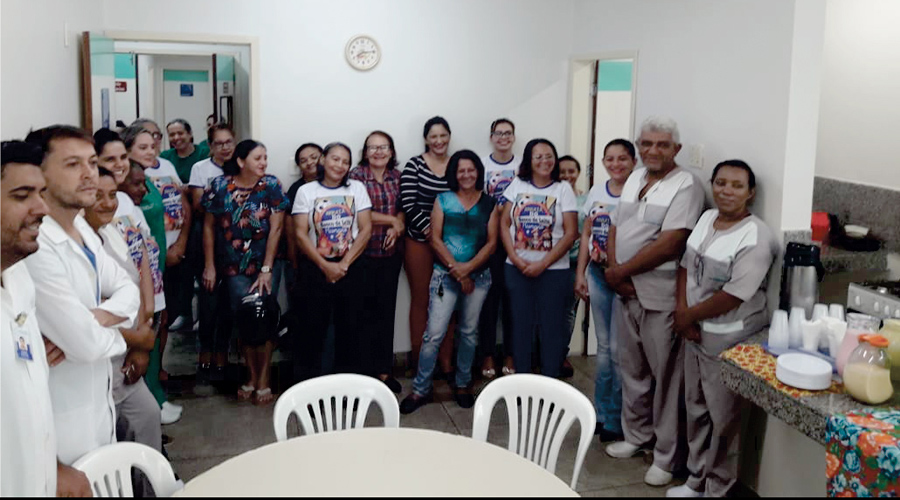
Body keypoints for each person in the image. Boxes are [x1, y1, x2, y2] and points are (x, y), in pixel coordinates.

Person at [23, 125, 140, 466]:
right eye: (73, 165)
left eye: (91, 162)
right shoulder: (36, 246)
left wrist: (94, 320)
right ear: (39, 174)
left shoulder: (82, 228)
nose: (90, 174)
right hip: (59, 435)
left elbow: (128, 289)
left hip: (96, 414)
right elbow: (86, 345)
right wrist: (115, 331)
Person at [603, 117, 705, 487]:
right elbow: (616, 226)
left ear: (676, 149)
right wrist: (616, 271)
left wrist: (622, 271)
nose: (653, 151)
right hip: (625, 290)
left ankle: (665, 456)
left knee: (666, 378)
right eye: (647, 144)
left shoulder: (686, 185)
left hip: (659, 297)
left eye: (662, 145)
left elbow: (673, 241)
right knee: (632, 368)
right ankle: (636, 436)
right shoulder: (635, 177)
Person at [668, 161, 776, 498]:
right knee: (696, 407)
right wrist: (683, 312)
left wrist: (688, 317)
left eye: (737, 185)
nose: (726, 191)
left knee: (724, 420)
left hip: (730, 337)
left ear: (750, 192)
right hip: (695, 331)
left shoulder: (756, 235)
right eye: (721, 182)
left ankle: (718, 488)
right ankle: (695, 480)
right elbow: (686, 266)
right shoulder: (705, 219)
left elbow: (734, 294)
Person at [1, 140, 91, 497]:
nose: (42, 208)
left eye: (41, 193)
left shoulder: (19, 279)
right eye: (22, 196)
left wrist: (52, 467)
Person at [400, 150, 498, 414]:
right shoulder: (442, 200)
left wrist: (468, 270)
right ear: (454, 174)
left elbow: (492, 243)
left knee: (468, 333)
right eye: (461, 170)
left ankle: (463, 384)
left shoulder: (490, 203)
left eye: (471, 170)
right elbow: (435, 238)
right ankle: (421, 388)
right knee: (433, 334)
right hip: (445, 276)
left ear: (478, 172)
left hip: (480, 278)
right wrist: (457, 270)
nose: (466, 175)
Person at [95, 128, 182, 424]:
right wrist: (138, 337)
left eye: (122, 156)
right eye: (111, 158)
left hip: (145, 308)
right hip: (122, 322)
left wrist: (146, 320)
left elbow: (143, 255)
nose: (119, 164)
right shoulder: (95, 209)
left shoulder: (128, 201)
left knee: (141, 408)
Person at [83, 167, 163, 455]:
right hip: (99, 363)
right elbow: (84, 317)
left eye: (112, 195)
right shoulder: (73, 246)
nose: (107, 203)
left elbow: (136, 286)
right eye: (97, 196)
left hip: (127, 361)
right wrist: (139, 340)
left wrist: (141, 348)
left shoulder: (112, 232)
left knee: (147, 418)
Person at [201, 140, 288, 405]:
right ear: (241, 162)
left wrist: (266, 269)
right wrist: (209, 265)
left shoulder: (271, 185)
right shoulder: (219, 187)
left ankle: (264, 379)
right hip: (232, 265)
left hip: (267, 263)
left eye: (265, 157)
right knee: (246, 319)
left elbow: (276, 228)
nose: (263, 163)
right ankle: (250, 376)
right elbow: (207, 228)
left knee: (266, 316)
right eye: (257, 158)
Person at [574, 139, 637, 443]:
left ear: (633, 161)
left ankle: (618, 417)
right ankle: (601, 414)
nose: (616, 164)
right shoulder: (597, 192)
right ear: (602, 162)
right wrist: (581, 273)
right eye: (610, 159)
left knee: (617, 351)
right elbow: (586, 232)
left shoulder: (639, 193)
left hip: (626, 280)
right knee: (603, 350)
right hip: (598, 276)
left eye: (623, 159)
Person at [292, 142, 372, 381]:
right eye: (335, 159)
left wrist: (344, 264)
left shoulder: (357, 188)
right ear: (324, 160)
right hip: (316, 268)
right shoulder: (306, 191)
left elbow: (366, 229)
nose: (340, 165)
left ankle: (349, 389)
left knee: (351, 329)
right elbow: (299, 233)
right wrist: (325, 266)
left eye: (346, 162)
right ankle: (313, 388)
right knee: (313, 329)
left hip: (352, 266)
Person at [499, 138, 578, 378]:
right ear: (529, 161)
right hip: (517, 269)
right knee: (520, 328)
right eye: (538, 157)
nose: (545, 161)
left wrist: (543, 264)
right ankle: (523, 382)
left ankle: (550, 384)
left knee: (551, 330)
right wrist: (514, 257)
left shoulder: (563, 189)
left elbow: (571, 232)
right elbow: (504, 223)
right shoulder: (517, 184)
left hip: (553, 272)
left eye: (549, 155)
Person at [124, 124, 192, 382]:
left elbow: (181, 203)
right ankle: (148, 388)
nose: (151, 151)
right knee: (145, 324)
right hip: (141, 271)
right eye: (142, 147)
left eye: (153, 145)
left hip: (160, 262)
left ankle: (155, 386)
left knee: (160, 321)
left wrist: (179, 244)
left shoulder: (157, 174)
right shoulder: (129, 185)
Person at [399, 116, 455, 377]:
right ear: (426, 139)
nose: (439, 140)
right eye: (434, 136)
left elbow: (464, 199)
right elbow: (408, 204)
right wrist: (432, 234)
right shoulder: (415, 165)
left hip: (452, 245)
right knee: (421, 299)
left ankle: (446, 361)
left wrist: (445, 238)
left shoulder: (457, 165)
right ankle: (420, 362)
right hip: (419, 242)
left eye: (443, 135)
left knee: (449, 300)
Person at [350, 132, 405, 393]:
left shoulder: (397, 176)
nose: (378, 152)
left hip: (390, 255)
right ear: (365, 152)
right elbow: (360, 211)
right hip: (363, 255)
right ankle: (363, 374)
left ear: (392, 152)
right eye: (372, 148)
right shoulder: (356, 176)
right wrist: (391, 220)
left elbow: (402, 207)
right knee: (362, 314)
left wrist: (398, 225)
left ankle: (384, 372)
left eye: (383, 147)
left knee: (386, 313)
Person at [188, 123, 236, 385]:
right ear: (210, 146)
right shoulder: (201, 169)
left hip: (234, 240)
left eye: (229, 142)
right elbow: (198, 206)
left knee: (229, 300)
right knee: (208, 299)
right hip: (206, 237)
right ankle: (204, 352)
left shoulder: (239, 166)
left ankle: (222, 353)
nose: (225, 147)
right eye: (219, 143)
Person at [477, 118, 520, 379]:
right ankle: (487, 355)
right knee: (488, 301)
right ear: (491, 137)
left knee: (513, 301)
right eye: (498, 133)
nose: (503, 137)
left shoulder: (522, 166)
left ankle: (512, 353)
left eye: (508, 133)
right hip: (489, 241)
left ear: (513, 137)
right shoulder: (482, 165)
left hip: (517, 243)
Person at [558, 155, 587, 379]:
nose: (567, 176)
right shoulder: (552, 196)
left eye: (571, 171)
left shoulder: (587, 200)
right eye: (562, 171)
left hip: (576, 262)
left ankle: (561, 355)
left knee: (569, 312)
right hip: (551, 262)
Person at [161, 118, 211, 184]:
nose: (176, 138)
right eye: (172, 135)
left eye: (180, 133)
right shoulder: (165, 157)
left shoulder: (205, 153)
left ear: (190, 134)